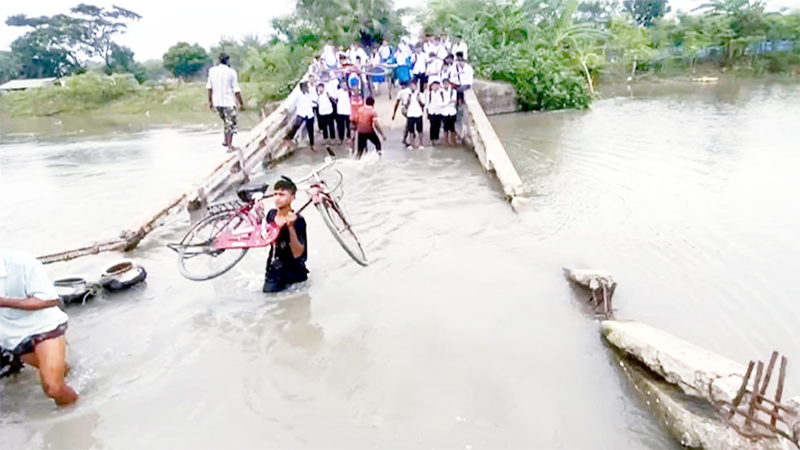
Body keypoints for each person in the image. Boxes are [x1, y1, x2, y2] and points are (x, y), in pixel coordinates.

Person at [0, 249, 78, 406]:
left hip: (44, 327)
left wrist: (4, 302)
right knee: (59, 370)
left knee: (53, 388)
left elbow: (50, 300)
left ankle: (82, 410)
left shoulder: (22, 263)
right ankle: (73, 376)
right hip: (11, 336)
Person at [262, 178, 308, 293]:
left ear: (293, 197)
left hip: (294, 272)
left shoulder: (298, 221)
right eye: (275, 194)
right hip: (274, 271)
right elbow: (263, 236)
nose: (277, 198)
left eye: (282, 194)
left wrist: (290, 227)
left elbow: (298, 253)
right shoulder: (271, 215)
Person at [207, 53, 244, 152]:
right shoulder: (231, 72)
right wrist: (241, 103)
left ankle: (225, 141)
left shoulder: (212, 71)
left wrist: (210, 102)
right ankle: (230, 146)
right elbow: (236, 90)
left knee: (226, 121)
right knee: (231, 122)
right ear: (227, 61)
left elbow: (209, 88)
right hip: (228, 101)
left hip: (217, 101)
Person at [284, 82, 317, 152]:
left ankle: (312, 144)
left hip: (309, 113)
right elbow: (292, 102)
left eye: (307, 87)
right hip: (301, 113)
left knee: (310, 130)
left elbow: (315, 100)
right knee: (295, 127)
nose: (306, 88)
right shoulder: (298, 95)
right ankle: (288, 139)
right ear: (302, 88)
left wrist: (313, 102)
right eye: (305, 87)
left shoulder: (310, 94)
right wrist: (287, 109)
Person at [403, 82, 426, 149]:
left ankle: (421, 144)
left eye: (413, 86)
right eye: (411, 86)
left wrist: (419, 100)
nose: (412, 87)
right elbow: (405, 105)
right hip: (410, 114)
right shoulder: (407, 95)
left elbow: (423, 104)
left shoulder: (420, 94)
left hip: (418, 113)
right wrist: (408, 101)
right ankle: (412, 144)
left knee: (420, 130)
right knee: (411, 130)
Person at [441, 79, 458, 146]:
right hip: (444, 112)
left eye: (447, 83)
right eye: (444, 83)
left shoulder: (453, 91)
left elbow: (454, 102)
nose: (446, 85)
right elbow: (440, 104)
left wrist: (446, 103)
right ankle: (446, 142)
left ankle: (453, 141)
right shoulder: (441, 92)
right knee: (445, 128)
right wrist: (448, 102)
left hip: (452, 111)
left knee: (452, 127)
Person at [427, 81, 444, 146]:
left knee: (438, 125)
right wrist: (427, 112)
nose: (435, 87)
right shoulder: (429, 94)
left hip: (439, 111)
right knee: (432, 125)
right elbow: (427, 103)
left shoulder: (441, 93)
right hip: (431, 111)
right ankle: (432, 138)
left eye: (437, 85)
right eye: (434, 86)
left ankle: (436, 138)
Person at [335, 79, 352, 145]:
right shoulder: (338, 92)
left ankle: (349, 137)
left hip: (348, 111)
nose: (344, 86)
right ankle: (340, 138)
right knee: (340, 126)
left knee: (348, 125)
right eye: (342, 84)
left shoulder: (350, 92)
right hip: (340, 111)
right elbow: (335, 99)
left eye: (345, 84)